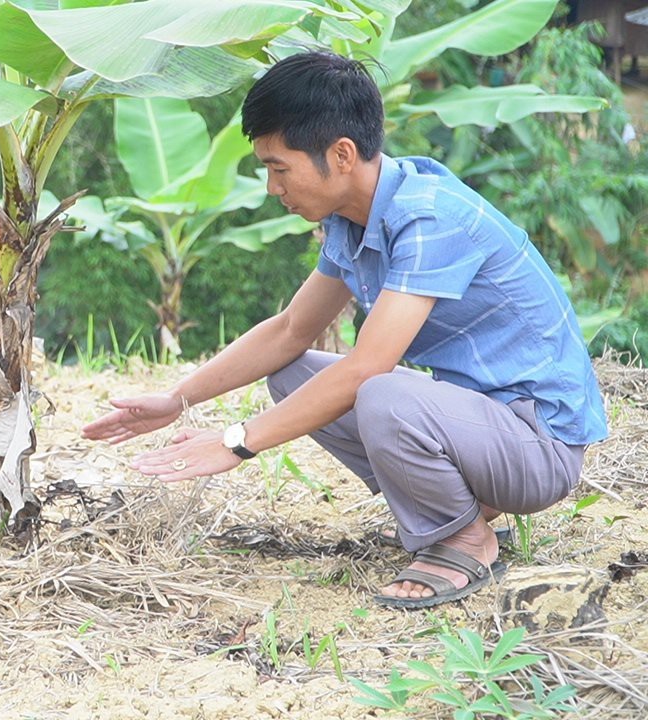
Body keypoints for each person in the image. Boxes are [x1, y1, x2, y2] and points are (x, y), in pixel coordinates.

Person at [82, 51, 607, 610]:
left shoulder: (428, 218)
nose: (270, 187)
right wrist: (177, 398)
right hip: (479, 425)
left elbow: (367, 367)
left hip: (538, 446)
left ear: (341, 154)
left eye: (279, 168)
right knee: (291, 374)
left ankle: (464, 538)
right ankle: (456, 509)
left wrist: (237, 442)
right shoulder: (353, 219)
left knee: (379, 391)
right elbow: (290, 330)